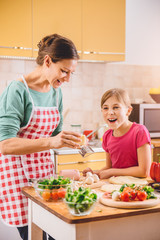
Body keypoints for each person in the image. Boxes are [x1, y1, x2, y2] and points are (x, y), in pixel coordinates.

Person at [0, 34, 81, 240]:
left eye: (71, 73)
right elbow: (5, 144)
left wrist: (68, 139)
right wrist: (52, 141)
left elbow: (55, 135)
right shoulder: (17, 90)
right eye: (64, 71)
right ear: (47, 61)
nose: (67, 79)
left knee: (55, 233)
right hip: (19, 180)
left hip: (45, 178)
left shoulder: (56, 92)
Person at [83, 88, 151, 179]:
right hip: (117, 187)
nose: (110, 112)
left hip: (138, 188)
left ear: (128, 111)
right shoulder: (107, 136)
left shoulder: (139, 132)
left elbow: (144, 171)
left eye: (116, 107)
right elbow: (109, 167)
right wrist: (94, 173)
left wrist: (112, 172)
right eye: (105, 108)